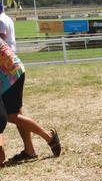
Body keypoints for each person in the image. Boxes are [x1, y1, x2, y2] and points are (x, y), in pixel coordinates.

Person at [0, 38, 60, 166]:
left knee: (10, 116)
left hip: (9, 77)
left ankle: (48, 136)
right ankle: (30, 150)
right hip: (14, 72)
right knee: (16, 113)